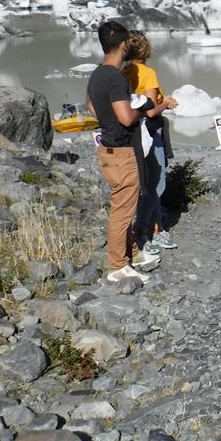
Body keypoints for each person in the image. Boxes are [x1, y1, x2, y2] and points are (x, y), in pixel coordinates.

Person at [86, 21, 174, 283]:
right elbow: (126, 117)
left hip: (109, 147)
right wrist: (144, 104)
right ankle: (118, 266)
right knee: (123, 211)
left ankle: (133, 253)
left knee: (126, 203)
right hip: (122, 149)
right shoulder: (114, 76)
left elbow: (91, 106)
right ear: (123, 45)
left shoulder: (98, 73)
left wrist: (107, 118)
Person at [122, 32, 178, 255]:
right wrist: (166, 103)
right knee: (157, 184)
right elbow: (152, 110)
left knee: (148, 183)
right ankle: (142, 230)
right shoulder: (148, 73)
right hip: (150, 131)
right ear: (146, 49)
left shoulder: (124, 73)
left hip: (133, 133)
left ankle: (157, 230)